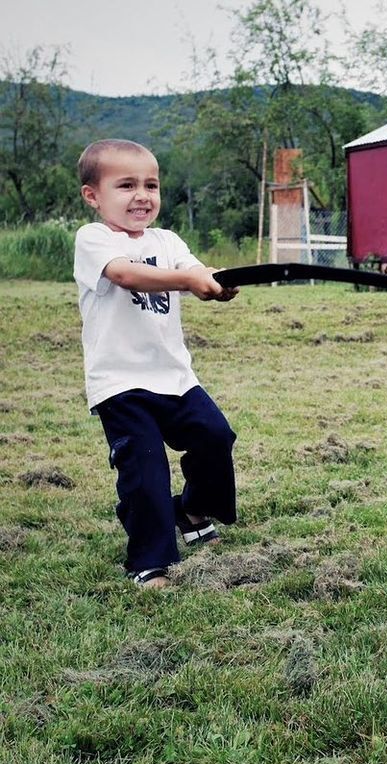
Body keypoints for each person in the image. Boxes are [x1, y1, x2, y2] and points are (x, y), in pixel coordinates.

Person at [74, 138, 239, 589]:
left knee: (215, 435)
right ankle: (149, 561)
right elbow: (126, 275)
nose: (142, 195)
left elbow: (196, 270)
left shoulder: (167, 241)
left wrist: (217, 282)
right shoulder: (94, 239)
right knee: (145, 467)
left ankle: (190, 508)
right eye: (126, 185)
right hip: (120, 384)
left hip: (175, 377)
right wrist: (187, 279)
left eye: (151, 184)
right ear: (93, 195)